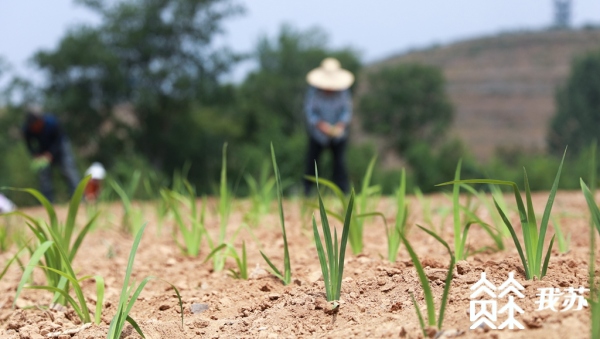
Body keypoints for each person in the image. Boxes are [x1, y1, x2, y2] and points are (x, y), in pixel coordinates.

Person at [303, 57, 355, 195]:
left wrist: (340, 125)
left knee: (339, 163)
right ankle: (308, 191)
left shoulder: (343, 92)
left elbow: (346, 111)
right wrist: (321, 125)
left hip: (338, 134)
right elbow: (310, 112)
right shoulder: (314, 92)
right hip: (318, 134)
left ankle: (342, 192)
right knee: (312, 162)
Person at [22, 109, 80, 202]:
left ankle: (79, 199)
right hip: (43, 150)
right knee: (44, 176)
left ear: (40, 121)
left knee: (69, 171)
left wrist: (51, 153)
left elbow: (59, 140)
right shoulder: (27, 129)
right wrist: (35, 154)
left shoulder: (52, 123)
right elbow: (29, 144)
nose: (34, 128)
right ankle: (47, 202)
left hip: (60, 148)